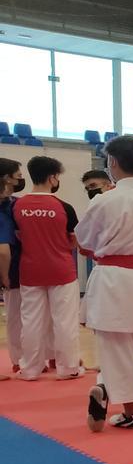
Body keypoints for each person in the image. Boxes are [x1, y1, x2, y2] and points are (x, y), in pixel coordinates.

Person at [76, 136, 133, 431]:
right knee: (130, 345)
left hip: (113, 275)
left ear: (112, 162)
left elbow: (84, 240)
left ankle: (129, 410)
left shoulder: (106, 199)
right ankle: (107, 387)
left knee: (114, 347)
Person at [12, 156, 82, 381]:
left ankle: (31, 368)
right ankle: (68, 368)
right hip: (62, 271)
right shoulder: (64, 207)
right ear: (52, 178)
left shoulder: (18, 206)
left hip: (30, 271)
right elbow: (75, 240)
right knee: (65, 322)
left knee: (31, 321)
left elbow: (17, 237)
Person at [0, 158, 26, 380]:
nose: (20, 179)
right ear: (6, 178)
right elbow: (3, 250)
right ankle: (19, 360)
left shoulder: (15, 203)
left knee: (23, 316)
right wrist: (5, 275)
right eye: (17, 176)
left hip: (19, 266)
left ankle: (25, 359)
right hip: (9, 269)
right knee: (15, 316)